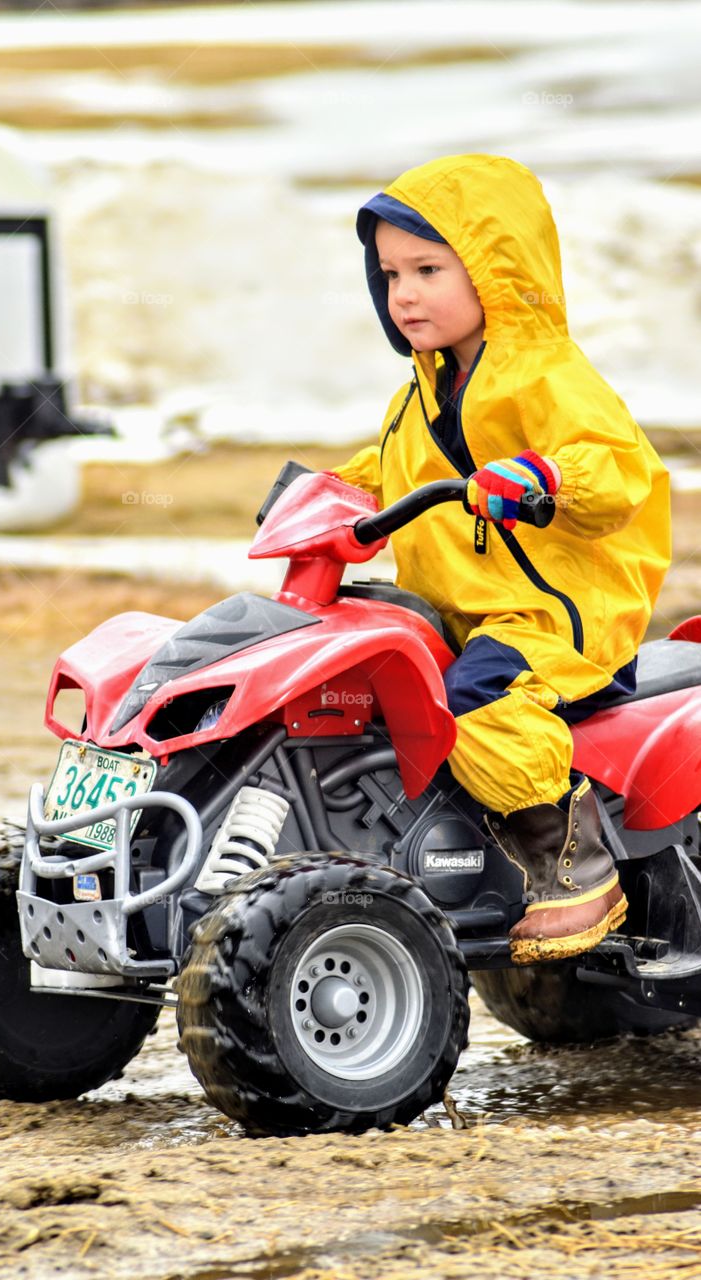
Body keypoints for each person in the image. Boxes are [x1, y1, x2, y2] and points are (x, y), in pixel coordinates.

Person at [331, 154, 671, 965]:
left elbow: (618, 468)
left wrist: (543, 477)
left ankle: (572, 863)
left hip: (557, 614)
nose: (402, 293)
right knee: (363, 671)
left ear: (495, 271)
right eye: (388, 275)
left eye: (426, 269)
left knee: (473, 704)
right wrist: (326, 497)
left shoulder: (547, 376)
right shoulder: (421, 389)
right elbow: (390, 468)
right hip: (464, 604)